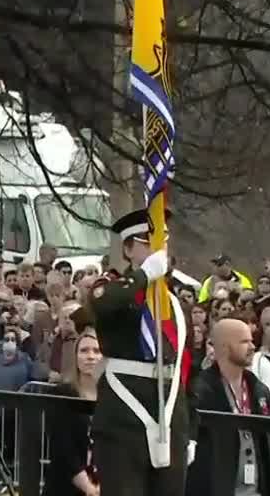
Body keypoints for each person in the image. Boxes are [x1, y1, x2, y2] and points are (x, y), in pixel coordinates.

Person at [86, 208, 192, 496]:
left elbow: (185, 367)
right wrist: (143, 276)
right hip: (123, 418)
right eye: (149, 240)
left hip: (169, 419)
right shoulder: (112, 288)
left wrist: (189, 429)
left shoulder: (174, 303)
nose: (160, 247)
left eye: (163, 239)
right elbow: (103, 304)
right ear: (128, 249)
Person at [187, 319, 270, 496]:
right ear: (224, 347)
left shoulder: (258, 389)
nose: (252, 346)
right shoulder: (200, 391)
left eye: (252, 340)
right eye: (244, 342)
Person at [43, 328, 102, 496]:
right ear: (76, 357)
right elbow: (62, 445)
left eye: (96, 351)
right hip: (65, 485)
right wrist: (89, 489)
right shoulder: (62, 393)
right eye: (84, 351)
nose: (90, 356)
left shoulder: (112, 398)